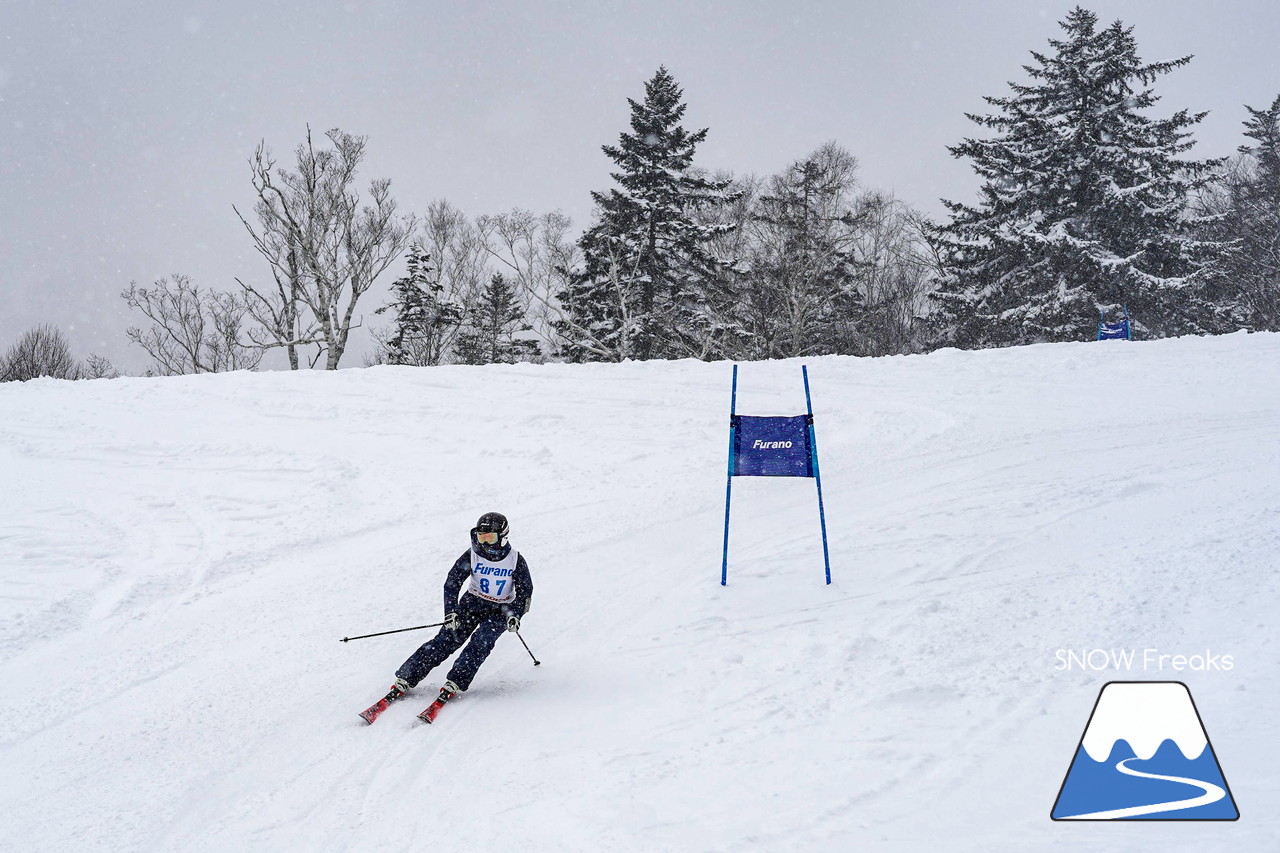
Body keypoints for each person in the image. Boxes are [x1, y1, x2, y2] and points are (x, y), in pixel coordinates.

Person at [363, 512, 533, 721]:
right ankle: (407, 677)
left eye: (490, 537)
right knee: (445, 640)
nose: (485, 543)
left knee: (481, 642)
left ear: (503, 536)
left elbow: (525, 592)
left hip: (500, 611)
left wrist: (515, 615)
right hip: (473, 604)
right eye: (481, 537)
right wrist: (451, 611)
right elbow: (452, 582)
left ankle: (457, 680)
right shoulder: (472, 555)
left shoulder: (515, 560)